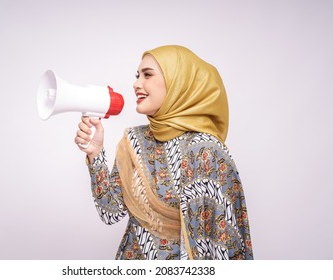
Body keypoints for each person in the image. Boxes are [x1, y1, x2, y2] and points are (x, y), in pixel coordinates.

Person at [75, 45, 253, 260]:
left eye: (147, 75)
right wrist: (95, 153)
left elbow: (227, 243)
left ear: (178, 82)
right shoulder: (134, 141)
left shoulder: (207, 151)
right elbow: (110, 212)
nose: (136, 83)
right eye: (137, 75)